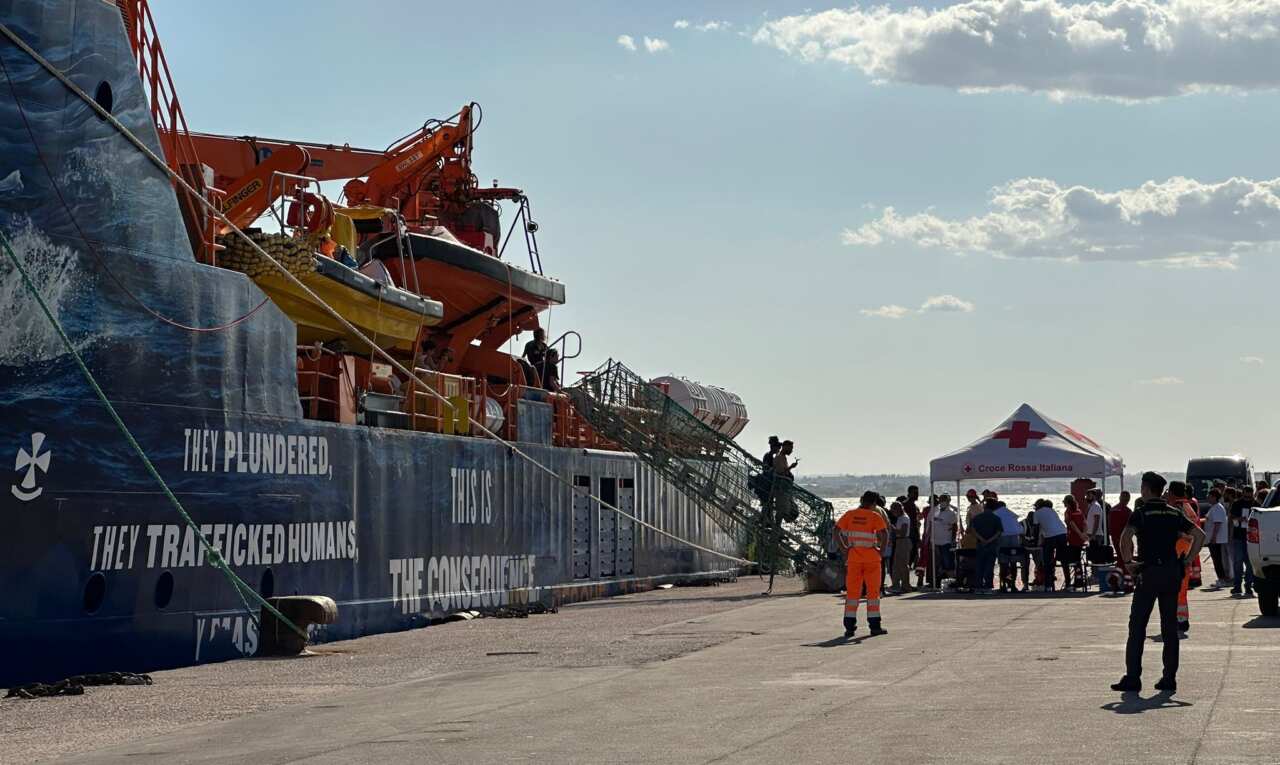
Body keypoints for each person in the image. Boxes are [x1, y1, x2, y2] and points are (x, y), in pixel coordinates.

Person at [1112, 471, 1206, 694]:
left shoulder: (1141, 513)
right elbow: (1199, 535)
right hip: (1171, 573)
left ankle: (1133, 677)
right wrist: (1186, 561)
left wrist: (1128, 563)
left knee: (1137, 627)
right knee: (1169, 628)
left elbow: (1125, 537)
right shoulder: (1174, 513)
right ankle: (1169, 678)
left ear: (1145, 489)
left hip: (1149, 573)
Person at [833, 491, 890, 637]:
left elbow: (836, 531)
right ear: (874, 504)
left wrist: (844, 549)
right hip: (872, 559)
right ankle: (874, 626)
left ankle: (849, 627)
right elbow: (884, 534)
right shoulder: (874, 516)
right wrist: (881, 551)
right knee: (873, 594)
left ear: (861, 500)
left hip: (854, 559)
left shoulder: (849, 515)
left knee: (852, 594)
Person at [1167, 481, 1200, 633]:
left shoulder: (1177, 509)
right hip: (1185, 554)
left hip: (1176, 553)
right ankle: (1182, 619)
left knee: (1176, 591)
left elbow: (1180, 531)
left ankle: (1179, 620)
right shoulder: (1190, 507)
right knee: (1182, 591)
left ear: (1172, 493)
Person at [1034, 499, 1069, 591]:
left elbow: (1036, 529)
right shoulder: (1052, 510)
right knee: (1064, 560)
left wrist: (1035, 541)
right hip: (1062, 534)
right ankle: (1069, 585)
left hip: (1050, 537)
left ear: (1037, 506)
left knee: (1047, 560)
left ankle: (1048, 585)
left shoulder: (1036, 513)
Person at [970, 499, 1004, 594]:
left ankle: (978, 586)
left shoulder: (977, 518)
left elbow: (972, 530)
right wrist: (989, 540)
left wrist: (982, 539)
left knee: (979, 565)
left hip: (980, 544)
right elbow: (999, 532)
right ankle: (988, 586)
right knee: (990, 565)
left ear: (985, 507)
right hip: (992, 545)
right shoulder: (996, 518)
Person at [994, 499, 1027, 592]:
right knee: (1013, 563)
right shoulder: (1011, 514)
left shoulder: (995, 513)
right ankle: (1013, 585)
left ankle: (1003, 585)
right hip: (1015, 538)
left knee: (1003, 564)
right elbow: (1020, 529)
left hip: (1003, 538)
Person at [1229, 488, 1256, 598]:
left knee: (1249, 564)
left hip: (1251, 538)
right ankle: (1237, 586)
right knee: (1238, 562)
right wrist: (1239, 519)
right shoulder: (1237, 503)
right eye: (1246, 496)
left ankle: (1248, 586)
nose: (1247, 498)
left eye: (1249, 496)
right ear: (1243, 494)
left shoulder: (1256, 504)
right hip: (1239, 536)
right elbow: (1232, 517)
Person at [928, 495, 958, 588]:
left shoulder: (951, 513)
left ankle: (952, 582)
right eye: (941, 500)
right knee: (937, 564)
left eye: (944, 500)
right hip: (935, 541)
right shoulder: (934, 510)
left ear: (949, 501)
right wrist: (928, 538)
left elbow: (955, 527)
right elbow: (930, 525)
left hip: (946, 541)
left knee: (948, 563)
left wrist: (953, 540)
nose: (942, 501)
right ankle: (936, 582)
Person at [1204, 489, 1231, 587]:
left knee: (1217, 560)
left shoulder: (1217, 508)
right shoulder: (1214, 507)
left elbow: (1217, 523)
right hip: (1214, 538)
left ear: (1214, 497)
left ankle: (1222, 579)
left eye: (1209, 496)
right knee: (1217, 559)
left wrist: (1213, 537)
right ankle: (1221, 578)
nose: (1208, 497)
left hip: (1216, 539)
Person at [1063, 495, 1088, 589]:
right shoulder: (1079, 511)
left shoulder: (1068, 512)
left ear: (1067, 502)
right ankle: (1079, 579)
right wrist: (1084, 534)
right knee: (1078, 560)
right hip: (1080, 539)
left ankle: (1075, 581)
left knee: (1072, 560)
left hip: (1073, 538)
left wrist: (1079, 534)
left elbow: (1071, 524)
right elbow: (1085, 523)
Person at [890, 501, 912, 593]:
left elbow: (903, 532)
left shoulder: (904, 518)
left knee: (903, 564)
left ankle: (905, 585)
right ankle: (896, 584)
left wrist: (893, 528)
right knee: (896, 564)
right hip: (900, 541)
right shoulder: (900, 518)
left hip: (903, 541)